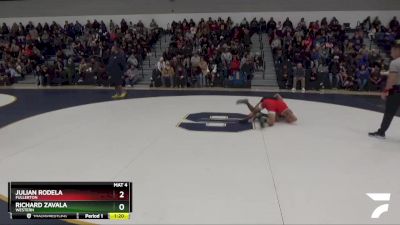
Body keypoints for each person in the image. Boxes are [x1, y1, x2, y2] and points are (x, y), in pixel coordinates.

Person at [369, 40, 400, 139]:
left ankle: (381, 132)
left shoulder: (395, 63)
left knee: (389, 112)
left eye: (392, 50)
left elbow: (392, 80)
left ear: (397, 50)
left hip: (396, 90)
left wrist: (386, 92)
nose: (390, 52)